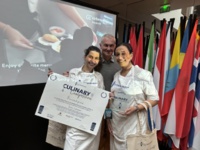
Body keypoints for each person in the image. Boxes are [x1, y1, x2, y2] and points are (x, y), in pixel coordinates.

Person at [47, 45, 105, 150]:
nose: (93, 61)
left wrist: (108, 96)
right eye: (90, 57)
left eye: (96, 58)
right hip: (74, 121)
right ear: (85, 57)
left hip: (90, 123)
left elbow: (101, 99)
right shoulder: (73, 72)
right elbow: (64, 91)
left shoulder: (99, 77)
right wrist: (55, 79)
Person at [107, 43, 159, 150]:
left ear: (131, 55)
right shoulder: (116, 75)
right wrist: (108, 120)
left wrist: (136, 108)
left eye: (123, 54)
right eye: (117, 54)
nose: (120, 57)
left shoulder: (142, 74)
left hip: (134, 127)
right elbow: (111, 102)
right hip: (116, 127)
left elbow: (154, 99)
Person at [98, 34, 120, 150]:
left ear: (115, 46)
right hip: (95, 104)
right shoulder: (94, 60)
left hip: (111, 107)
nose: (108, 48)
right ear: (100, 45)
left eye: (111, 46)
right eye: (106, 45)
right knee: (97, 133)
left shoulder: (119, 63)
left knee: (109, 133)